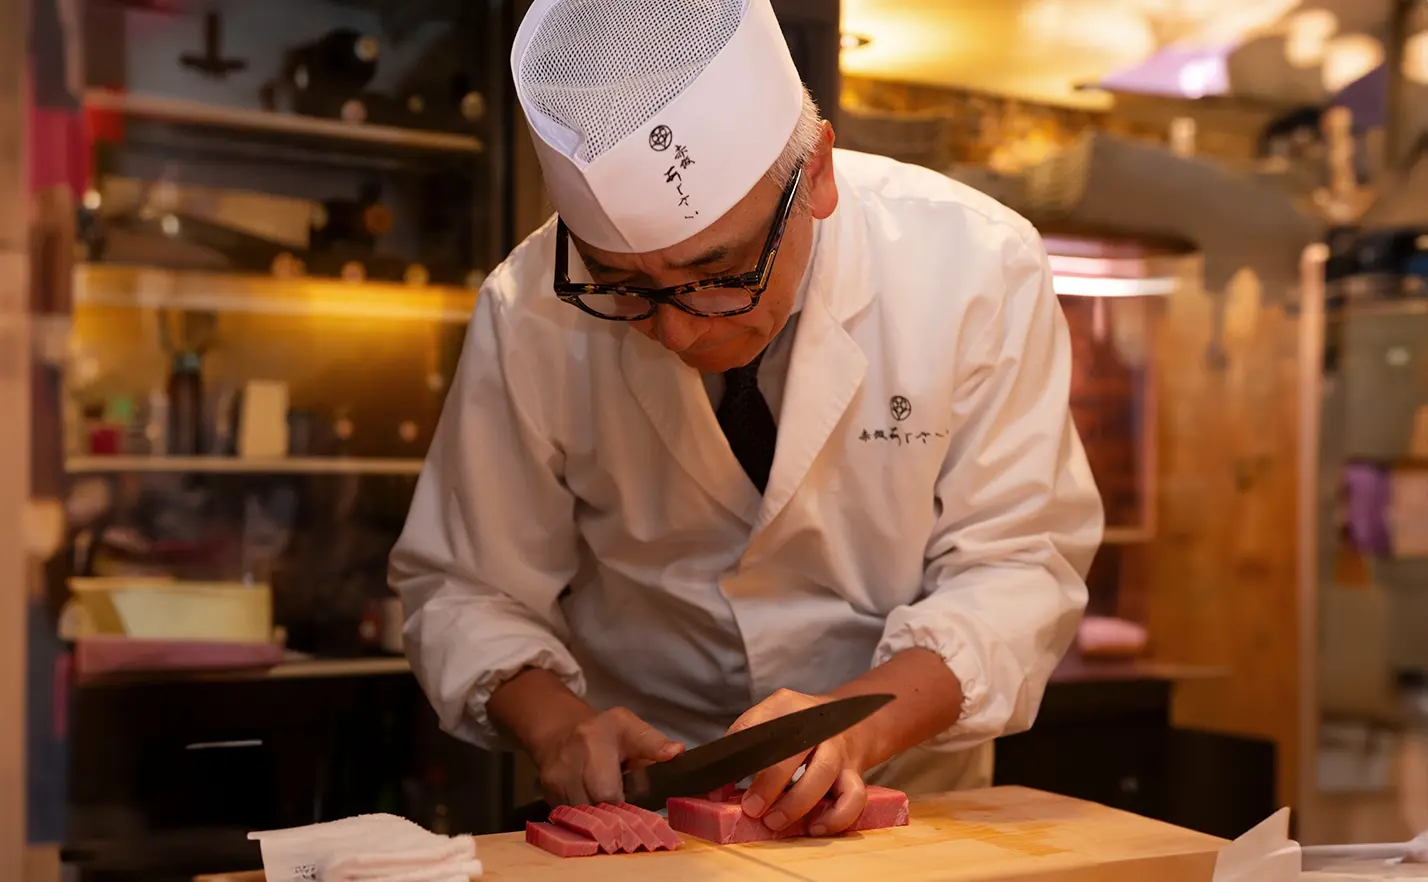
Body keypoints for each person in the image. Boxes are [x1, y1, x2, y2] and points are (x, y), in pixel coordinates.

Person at [390, 0, 1104, 838]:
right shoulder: (529, 309)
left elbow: (1019, 564)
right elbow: (466, 586)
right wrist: (557, 728)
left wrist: (856, 726)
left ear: (818, 175)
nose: (684, 330)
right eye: (625, 289)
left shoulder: (976, 266)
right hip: (643, 811)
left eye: (720, 271)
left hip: (911, 805)